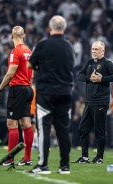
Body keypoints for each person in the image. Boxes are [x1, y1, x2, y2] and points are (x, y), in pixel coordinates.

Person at [27, 15, 74, 174]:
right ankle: (65, 166)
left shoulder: (43, 45)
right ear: (64, 28)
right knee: (63, 130)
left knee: (44, 129)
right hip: (65, 92)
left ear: (49, 27)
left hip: (46, 93)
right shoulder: (69, 46)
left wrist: (41, 67)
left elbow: (29, 64)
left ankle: (43, 165)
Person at [72, 41, 113, 164]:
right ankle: (84, 157)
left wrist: (102, 79)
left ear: (103, 51)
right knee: (82, 129)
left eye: (97, 49)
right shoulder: (89, 63)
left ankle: (99, 157)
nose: (94, 51)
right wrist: (89, 78)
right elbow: (79, 76)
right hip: (89, 102)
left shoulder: (107, 63)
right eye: (93, 49)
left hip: (100, 102)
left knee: (99, 131)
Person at [0, 26, 34, 166]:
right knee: (26, 123)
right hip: (28, 88)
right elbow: (32, 72)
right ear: (24, 36)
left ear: (11, 36)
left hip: (17, 89)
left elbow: (10, 73)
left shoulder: (16, 51)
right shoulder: (29, 51)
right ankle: (27, 159)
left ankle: (9, 159)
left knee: (11, 124)